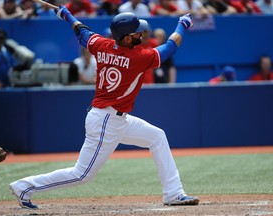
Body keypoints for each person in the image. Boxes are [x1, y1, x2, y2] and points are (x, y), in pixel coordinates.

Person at [10, 6, 199, 209]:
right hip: (106, 120)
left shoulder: (102, 45)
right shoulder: (137, 58)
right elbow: (170, 47)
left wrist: (66, 15)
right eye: (137, 32)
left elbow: (80, 31)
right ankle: (24, 187)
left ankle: (174, 193)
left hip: (115, 118)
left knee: (157, 136)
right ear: (126, 38)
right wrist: (182, 25)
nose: (141, 34)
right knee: (81, 175)